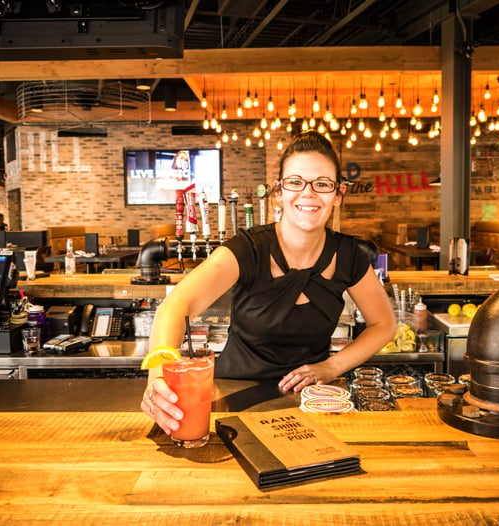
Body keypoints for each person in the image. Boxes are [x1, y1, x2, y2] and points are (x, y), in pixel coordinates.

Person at [142, 130, 396, 435]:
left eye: (322, 184)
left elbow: (384, 324)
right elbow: (175, 305)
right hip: (232, 394)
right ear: (278, 192)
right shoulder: (248, 248)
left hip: (309, 400)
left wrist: (331, 367)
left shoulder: (349, 255)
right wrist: (157, 376)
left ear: (337, 196)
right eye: (295, 182)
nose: (308, 193)